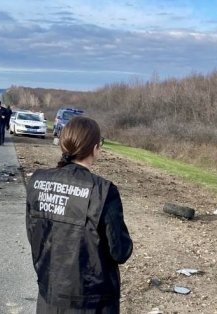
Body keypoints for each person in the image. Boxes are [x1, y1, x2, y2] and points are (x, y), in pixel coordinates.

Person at [26, 116, 133, 314]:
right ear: (94, 148)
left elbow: (34, 234)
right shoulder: (103, 191)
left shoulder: (37, 181)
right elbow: (120, 251)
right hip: (92, 302)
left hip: (49, 295)